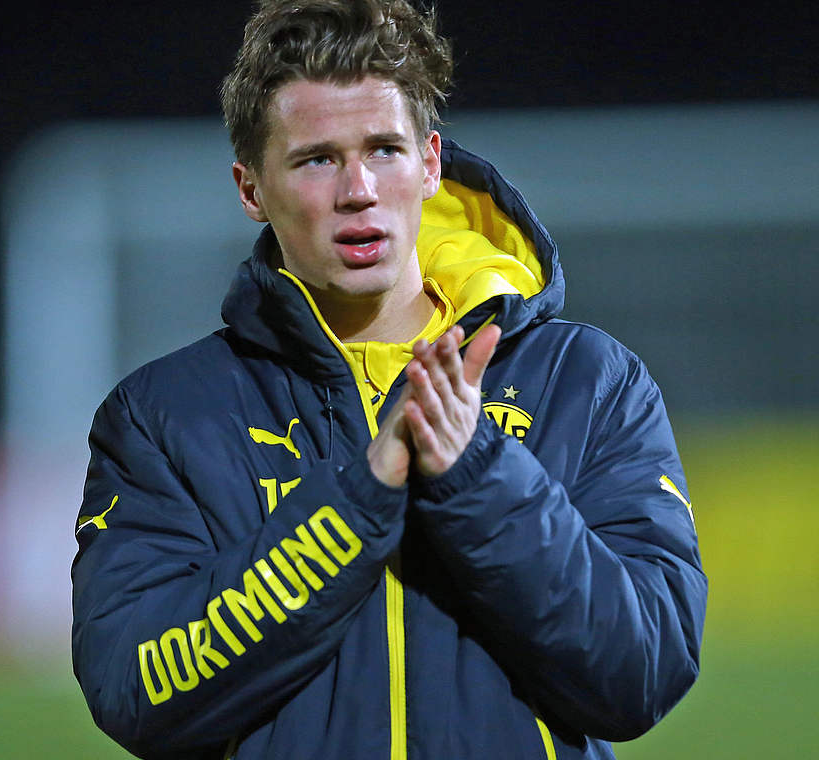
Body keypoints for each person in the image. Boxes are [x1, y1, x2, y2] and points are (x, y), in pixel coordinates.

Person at [70, 1, 706, 758]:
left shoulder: (587, 381)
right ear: (250, 189)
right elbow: (135, 690)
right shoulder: (163, 417)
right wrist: (359, 500)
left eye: (384, 150)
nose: (358, 190)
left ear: (431, 164)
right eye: (316, 159)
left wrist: (476, 474)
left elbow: (644, 671)